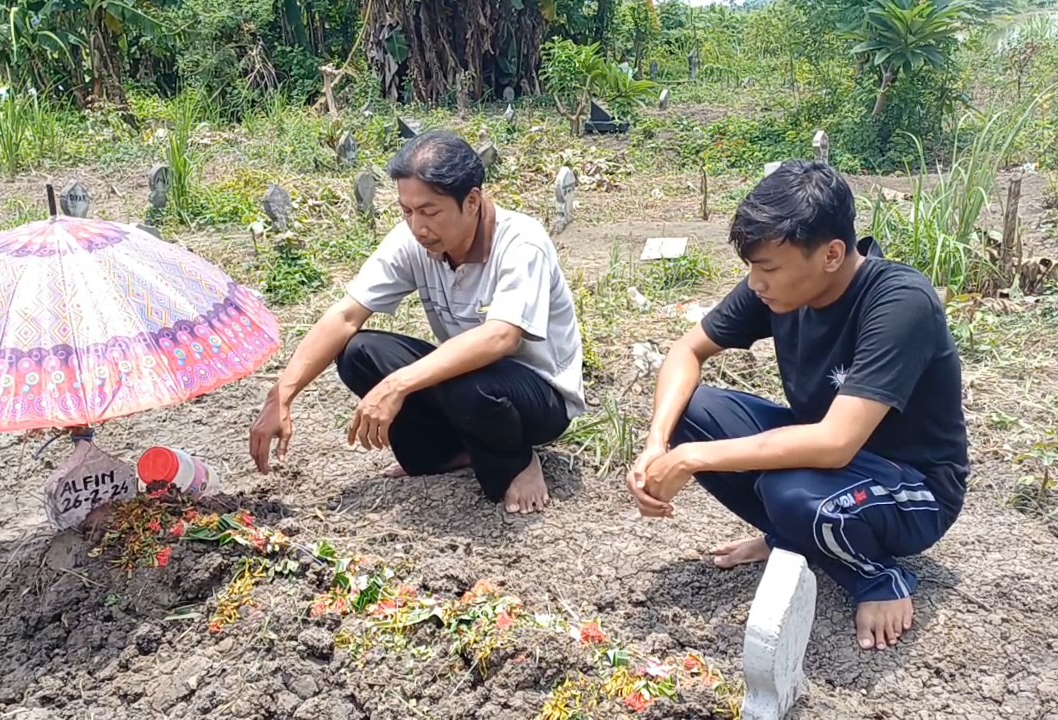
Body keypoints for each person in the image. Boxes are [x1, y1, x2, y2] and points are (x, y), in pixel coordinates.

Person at [625, 160, 969, 651]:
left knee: (789, 492)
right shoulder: (776, 289)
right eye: (752, 268)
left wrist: (690, 458)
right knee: (690, 413)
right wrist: (659, 443)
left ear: (831, 254)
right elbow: (687, 351)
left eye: (767, 269)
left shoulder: (899, 302)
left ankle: (876, 577)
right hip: (826, 468)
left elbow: (834, 443)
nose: (756, 283)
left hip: (912, 489)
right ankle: (789, 535)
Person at [249, 130, 585, 514]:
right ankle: (453, 453)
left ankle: (518, 463)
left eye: (429, 211)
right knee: (359, 351)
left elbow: (501, 338)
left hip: (537, 394)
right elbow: (345, 315)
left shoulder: (521, 243)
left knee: (466, 387)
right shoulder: (413, 241)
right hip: (470, 379)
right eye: (406, 211)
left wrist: (397, 383)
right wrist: (282, 396)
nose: (417, 226)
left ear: (472, 201)